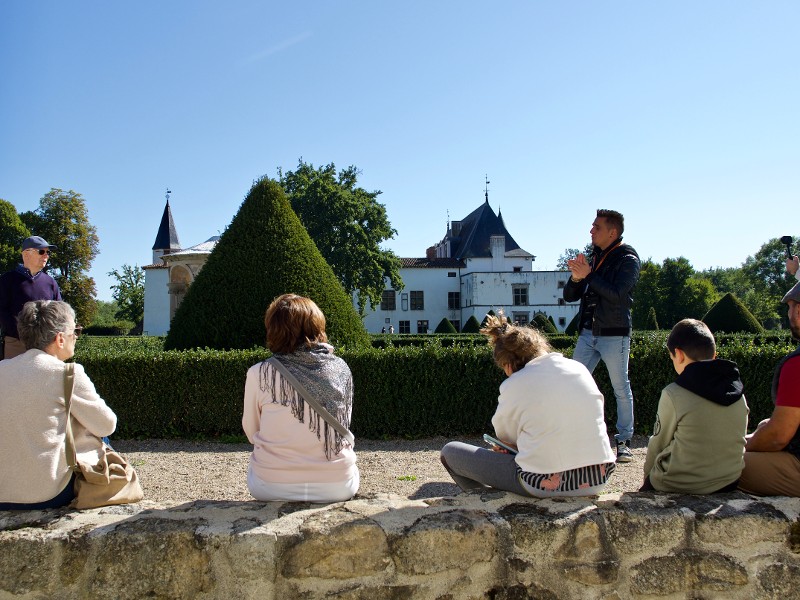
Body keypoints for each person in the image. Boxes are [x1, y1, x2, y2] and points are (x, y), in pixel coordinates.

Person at [440, 315, 616, 498]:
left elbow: (506, 438)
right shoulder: (579, 368)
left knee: (450, 452)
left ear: (507, 365)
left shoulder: (516, 383)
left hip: (542, 482)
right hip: (599, 476)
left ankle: (487, 503)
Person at [0, 301, 117, 510]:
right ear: (60, 338)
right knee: (96, 433)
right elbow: (106, 425)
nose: (77, 337)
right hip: (47, 493)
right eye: (76, 331)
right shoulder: (66, 374)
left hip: (2, 493)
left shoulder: (3, 369)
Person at [242, 293, 359, 502]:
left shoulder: (259, 373)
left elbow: (252, 432)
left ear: (273, 329)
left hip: (270, 484)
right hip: (337, 485)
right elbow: (343, 423)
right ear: (317, 326)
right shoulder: (341, 369)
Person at [563, 209, 640, 463]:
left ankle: (624, 441)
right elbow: (570, 296)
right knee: (572, 384)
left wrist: (588, 275)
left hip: (614, 334)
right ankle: (572, 436)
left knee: (620, 388)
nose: (591, 230)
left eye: (596, 227)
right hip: (588, 332)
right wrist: (576, 279)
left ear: (612, 232)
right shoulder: (594, 258)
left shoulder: (628, 259)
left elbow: (618, 294)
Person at [641, 319, 748, 494]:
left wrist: (646, 482)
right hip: (728, 481)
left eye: (672, 357)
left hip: (678, 484)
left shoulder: (674, 393)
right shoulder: (738, 391)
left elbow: (659, 443)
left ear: (679, 354)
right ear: (714, 354)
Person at [738, 281, 800, 497]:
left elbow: (778, 436)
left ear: (799, 310)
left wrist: (745, 445)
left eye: (790, 307)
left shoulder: (797, 365)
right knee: (764, 425)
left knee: (723, 464)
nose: (789, 313)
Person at [0, 236, 62, 360]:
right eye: (41, 251)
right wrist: (21, 332)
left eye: (48, 252)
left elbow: (59, 313)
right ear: (26, 254)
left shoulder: (50, 282)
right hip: (16, 344)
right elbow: (1, 310)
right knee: (14, 379)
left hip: (44, 346)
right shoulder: (7, 280)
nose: (46, 256)